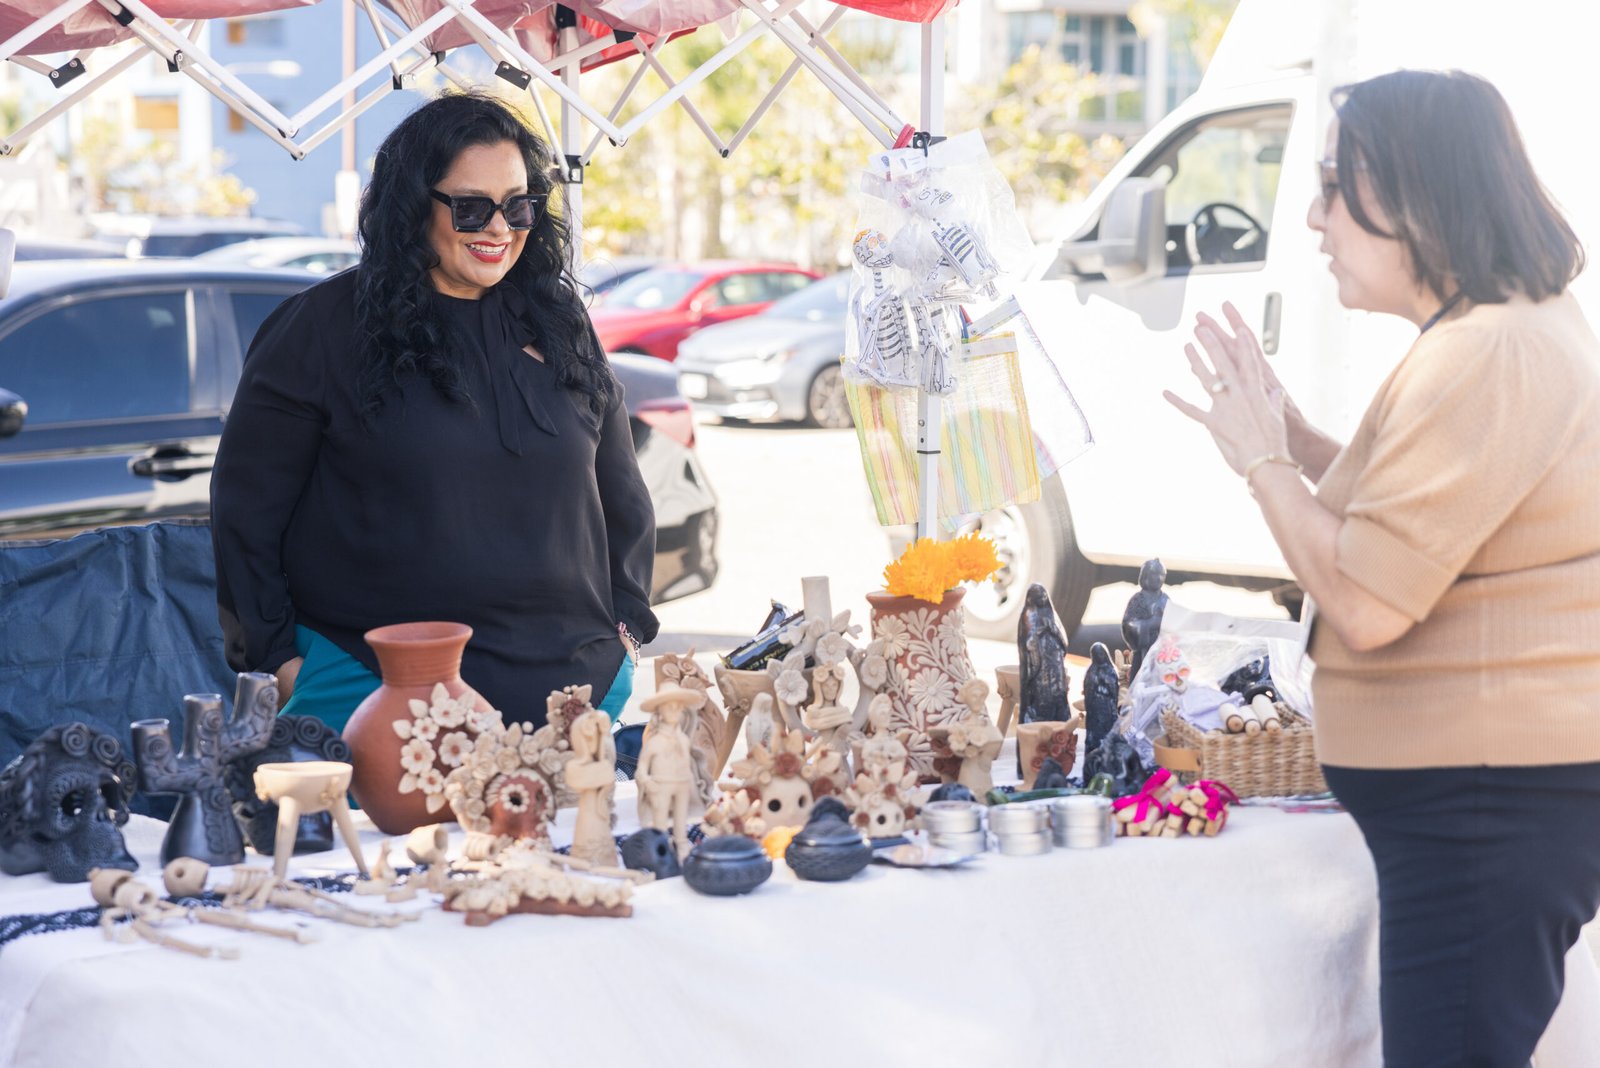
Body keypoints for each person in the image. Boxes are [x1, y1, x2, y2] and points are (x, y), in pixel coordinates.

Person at [1168, 69, 1600, 1065]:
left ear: (1413, 195)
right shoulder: (1493, 332)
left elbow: (1364, 599)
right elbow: (1431, 521)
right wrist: (1299, 442)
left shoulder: (1487, 351)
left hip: (1489, 800)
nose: (1315, 218)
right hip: (1487, 795)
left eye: (1332, 185)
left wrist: (1261, 461)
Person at [211, 92, 657, 732]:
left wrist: (626, 632)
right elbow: (245, 514)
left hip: (572, 700)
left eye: (518, 204)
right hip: (378, 699)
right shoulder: (319, 329)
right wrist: (281, 661)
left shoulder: (558, 321)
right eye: (472, 208)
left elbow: (622, 493)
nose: (500, 229)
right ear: (413, 204)